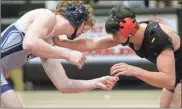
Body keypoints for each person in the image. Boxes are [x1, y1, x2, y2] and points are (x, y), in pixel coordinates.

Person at [55, 4, 182, 108]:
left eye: (115, 34)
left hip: (174, 75)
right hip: (176, 73)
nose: (114, 38)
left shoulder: (158, 37)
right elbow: (92, 43)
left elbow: (168, 80)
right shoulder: (128, 35)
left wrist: (135, 71)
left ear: (128, 29)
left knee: (176, 101)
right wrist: (61, 42)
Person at [0, 0, 119, 108]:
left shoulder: (48, 43)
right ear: (77, 18)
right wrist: (68, 54)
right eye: (83, 29)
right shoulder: (47, 16)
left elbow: (64, 85)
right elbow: (29, 44)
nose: (82, 33)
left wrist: (97, 82)